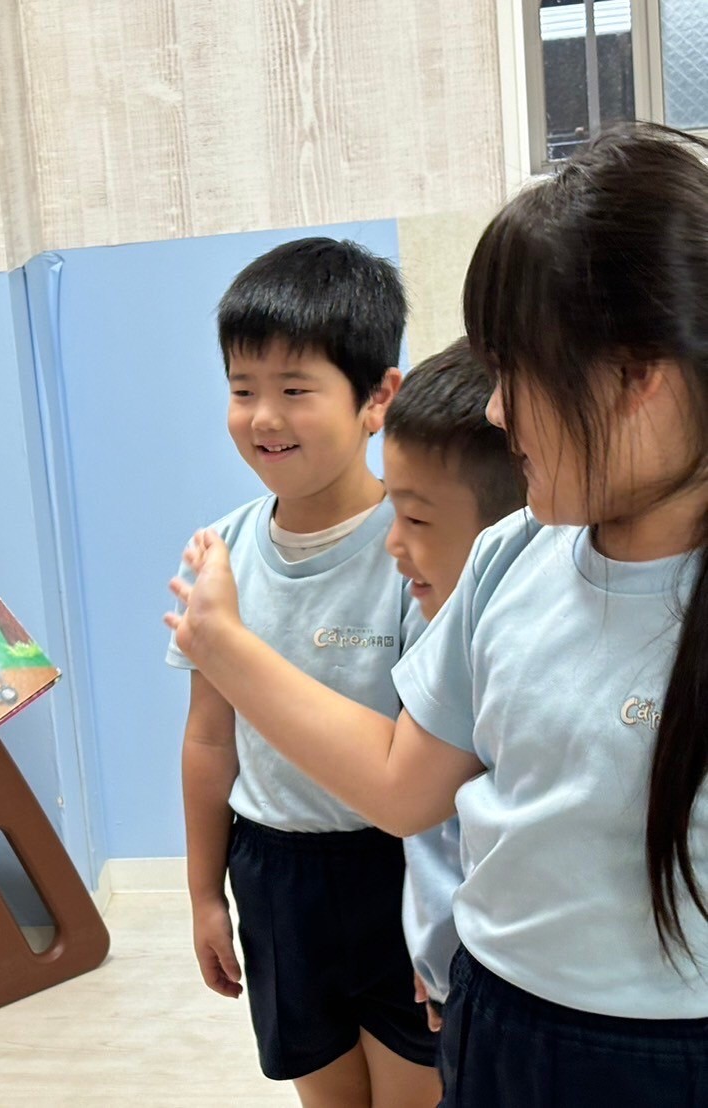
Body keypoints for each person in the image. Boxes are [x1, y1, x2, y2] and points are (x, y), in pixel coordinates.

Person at [168, 124, 708, 1105]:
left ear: (638, 380)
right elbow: (401, 786)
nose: (496, 413)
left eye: (518, 373)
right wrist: (219, 644)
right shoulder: (510, 557)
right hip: (493, 1016)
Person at [168, 238, 438, 1107]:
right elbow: (209, 740)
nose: (262, 417)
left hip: (395, 865)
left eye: (294, 390)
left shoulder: (414, 548)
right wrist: (205, 896)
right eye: (241, 389)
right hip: (274, 871)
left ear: (377, 398)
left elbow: (436, 755)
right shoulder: (222, 550)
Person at [379, 337, 525, 1034]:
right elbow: (438, 844)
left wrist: (225, 645)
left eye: (416, 518)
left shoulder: (509, 648)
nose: (392, 543)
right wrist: (431, 948)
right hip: (451, 977)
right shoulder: (430, 619)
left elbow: (406, 798)